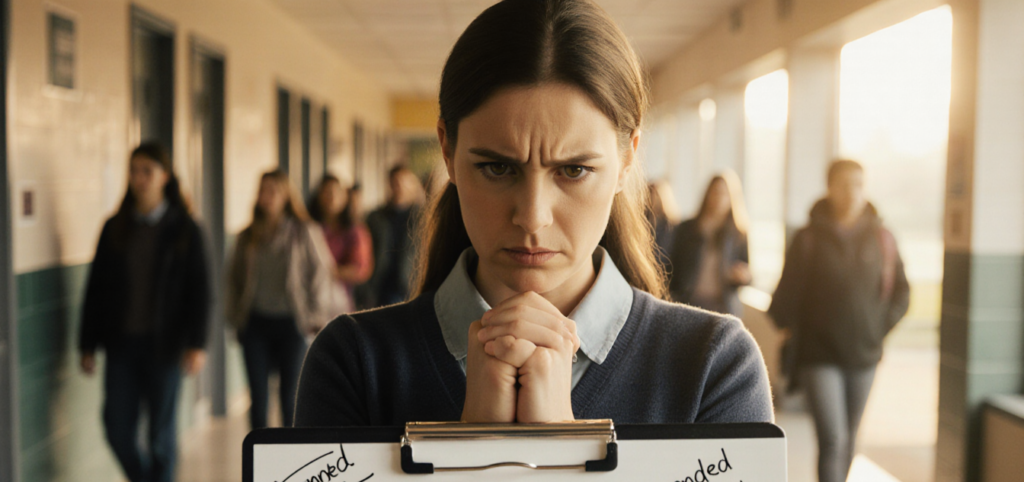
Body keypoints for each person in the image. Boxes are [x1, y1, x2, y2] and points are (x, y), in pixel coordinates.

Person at [294, 0, 773, 428]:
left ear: (627, 159)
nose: (532, 217)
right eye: (497, 167)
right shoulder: (353, 362)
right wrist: (473, 443)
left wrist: (563, 450)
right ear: (447, 149)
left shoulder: (714, 366)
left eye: (574, 170)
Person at [768, 159, 910, 482]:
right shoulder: (809, 238)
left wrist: (877, 327)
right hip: (819, 356)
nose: (852, 192)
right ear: (829, 187)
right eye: (844, 184)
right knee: (832, 437)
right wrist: (793, 328)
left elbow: (901, 292)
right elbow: (784, 298)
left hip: (864, 356)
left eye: (859, 184)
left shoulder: (882, 237)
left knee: (849, 439)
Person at [79, 142, 210, 482]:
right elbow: (95, 290)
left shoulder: (186, 229)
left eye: (147, 170)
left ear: (165, 176)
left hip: (166, 347)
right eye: (134, 170)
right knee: (117, 427)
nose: (139, 178)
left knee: (160, 435)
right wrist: (87, 343)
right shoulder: (115, 227)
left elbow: (201, 292)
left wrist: (197, 344)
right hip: (121, 345)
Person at [226, 170, 333, 429]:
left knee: (291, 398)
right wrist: (235, 316)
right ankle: (258, 460)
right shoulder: (247, 236)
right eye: (263, 190)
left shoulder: (303, 232)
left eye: (273, 190)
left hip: (292, 323)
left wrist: (315, 315)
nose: (267, 196)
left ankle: (290, 461)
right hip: (256, 324)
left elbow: (320, 273)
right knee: (258, 399)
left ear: (286, 195)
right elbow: (232, 279)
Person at [668, 171, 751, 316]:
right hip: (688, 302)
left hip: (723, 306)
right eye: (716, 192)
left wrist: (740, 276)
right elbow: (672, 265)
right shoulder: (688, 228)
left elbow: (747, 273)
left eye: (724, 194)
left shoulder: (738, 233)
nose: (719, 198)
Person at [360, 165, 424, 307]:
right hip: (380, 284)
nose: (399, 187)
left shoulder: (422, 216)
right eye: (395, 182)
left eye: (403, 182)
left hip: (409, 285)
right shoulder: (376, 217)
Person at [310, 176, 374, 315]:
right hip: (310, 299)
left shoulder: (355, 230)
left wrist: (328, 271)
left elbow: (360, 269)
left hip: (341, 299)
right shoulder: (310, 228)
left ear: (345, 197)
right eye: (326, 192)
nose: (331, 197)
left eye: (336, 192)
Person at [646, 180, 681, 279]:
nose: (653, 198)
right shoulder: (642, 223)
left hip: (666, 276)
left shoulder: (673, 227)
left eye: (656, 194)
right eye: (650, 193)